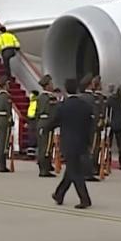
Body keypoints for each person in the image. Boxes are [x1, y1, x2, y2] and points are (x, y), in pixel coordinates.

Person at [49, 82, 95, 210]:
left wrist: (45, 128)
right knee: (71, 169)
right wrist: (89, 141)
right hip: (82, 142)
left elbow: (54, 121)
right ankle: (59, 194)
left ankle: (85, 199)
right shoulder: (85, 106)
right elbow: (90, 125)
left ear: (66, 90)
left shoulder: (63, 106)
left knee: (75, 172)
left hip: (68, 142)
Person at [35, 75, 57, 178]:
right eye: (51, 84)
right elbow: (54, 112)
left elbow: (36, 112)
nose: (52, 85)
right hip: (48, 123)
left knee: (41, 146)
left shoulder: (39, 97)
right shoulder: (51, 98)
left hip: (40, 122)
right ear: (47, 86)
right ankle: (44, 170)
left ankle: (43, 167)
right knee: (47, 147)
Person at [0, 79, 14, 173]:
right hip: (5, 121)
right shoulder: (7, 96)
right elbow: (9, 110)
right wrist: (11, 121)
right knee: (4, 144)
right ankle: (2, 166)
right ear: (5, 85)